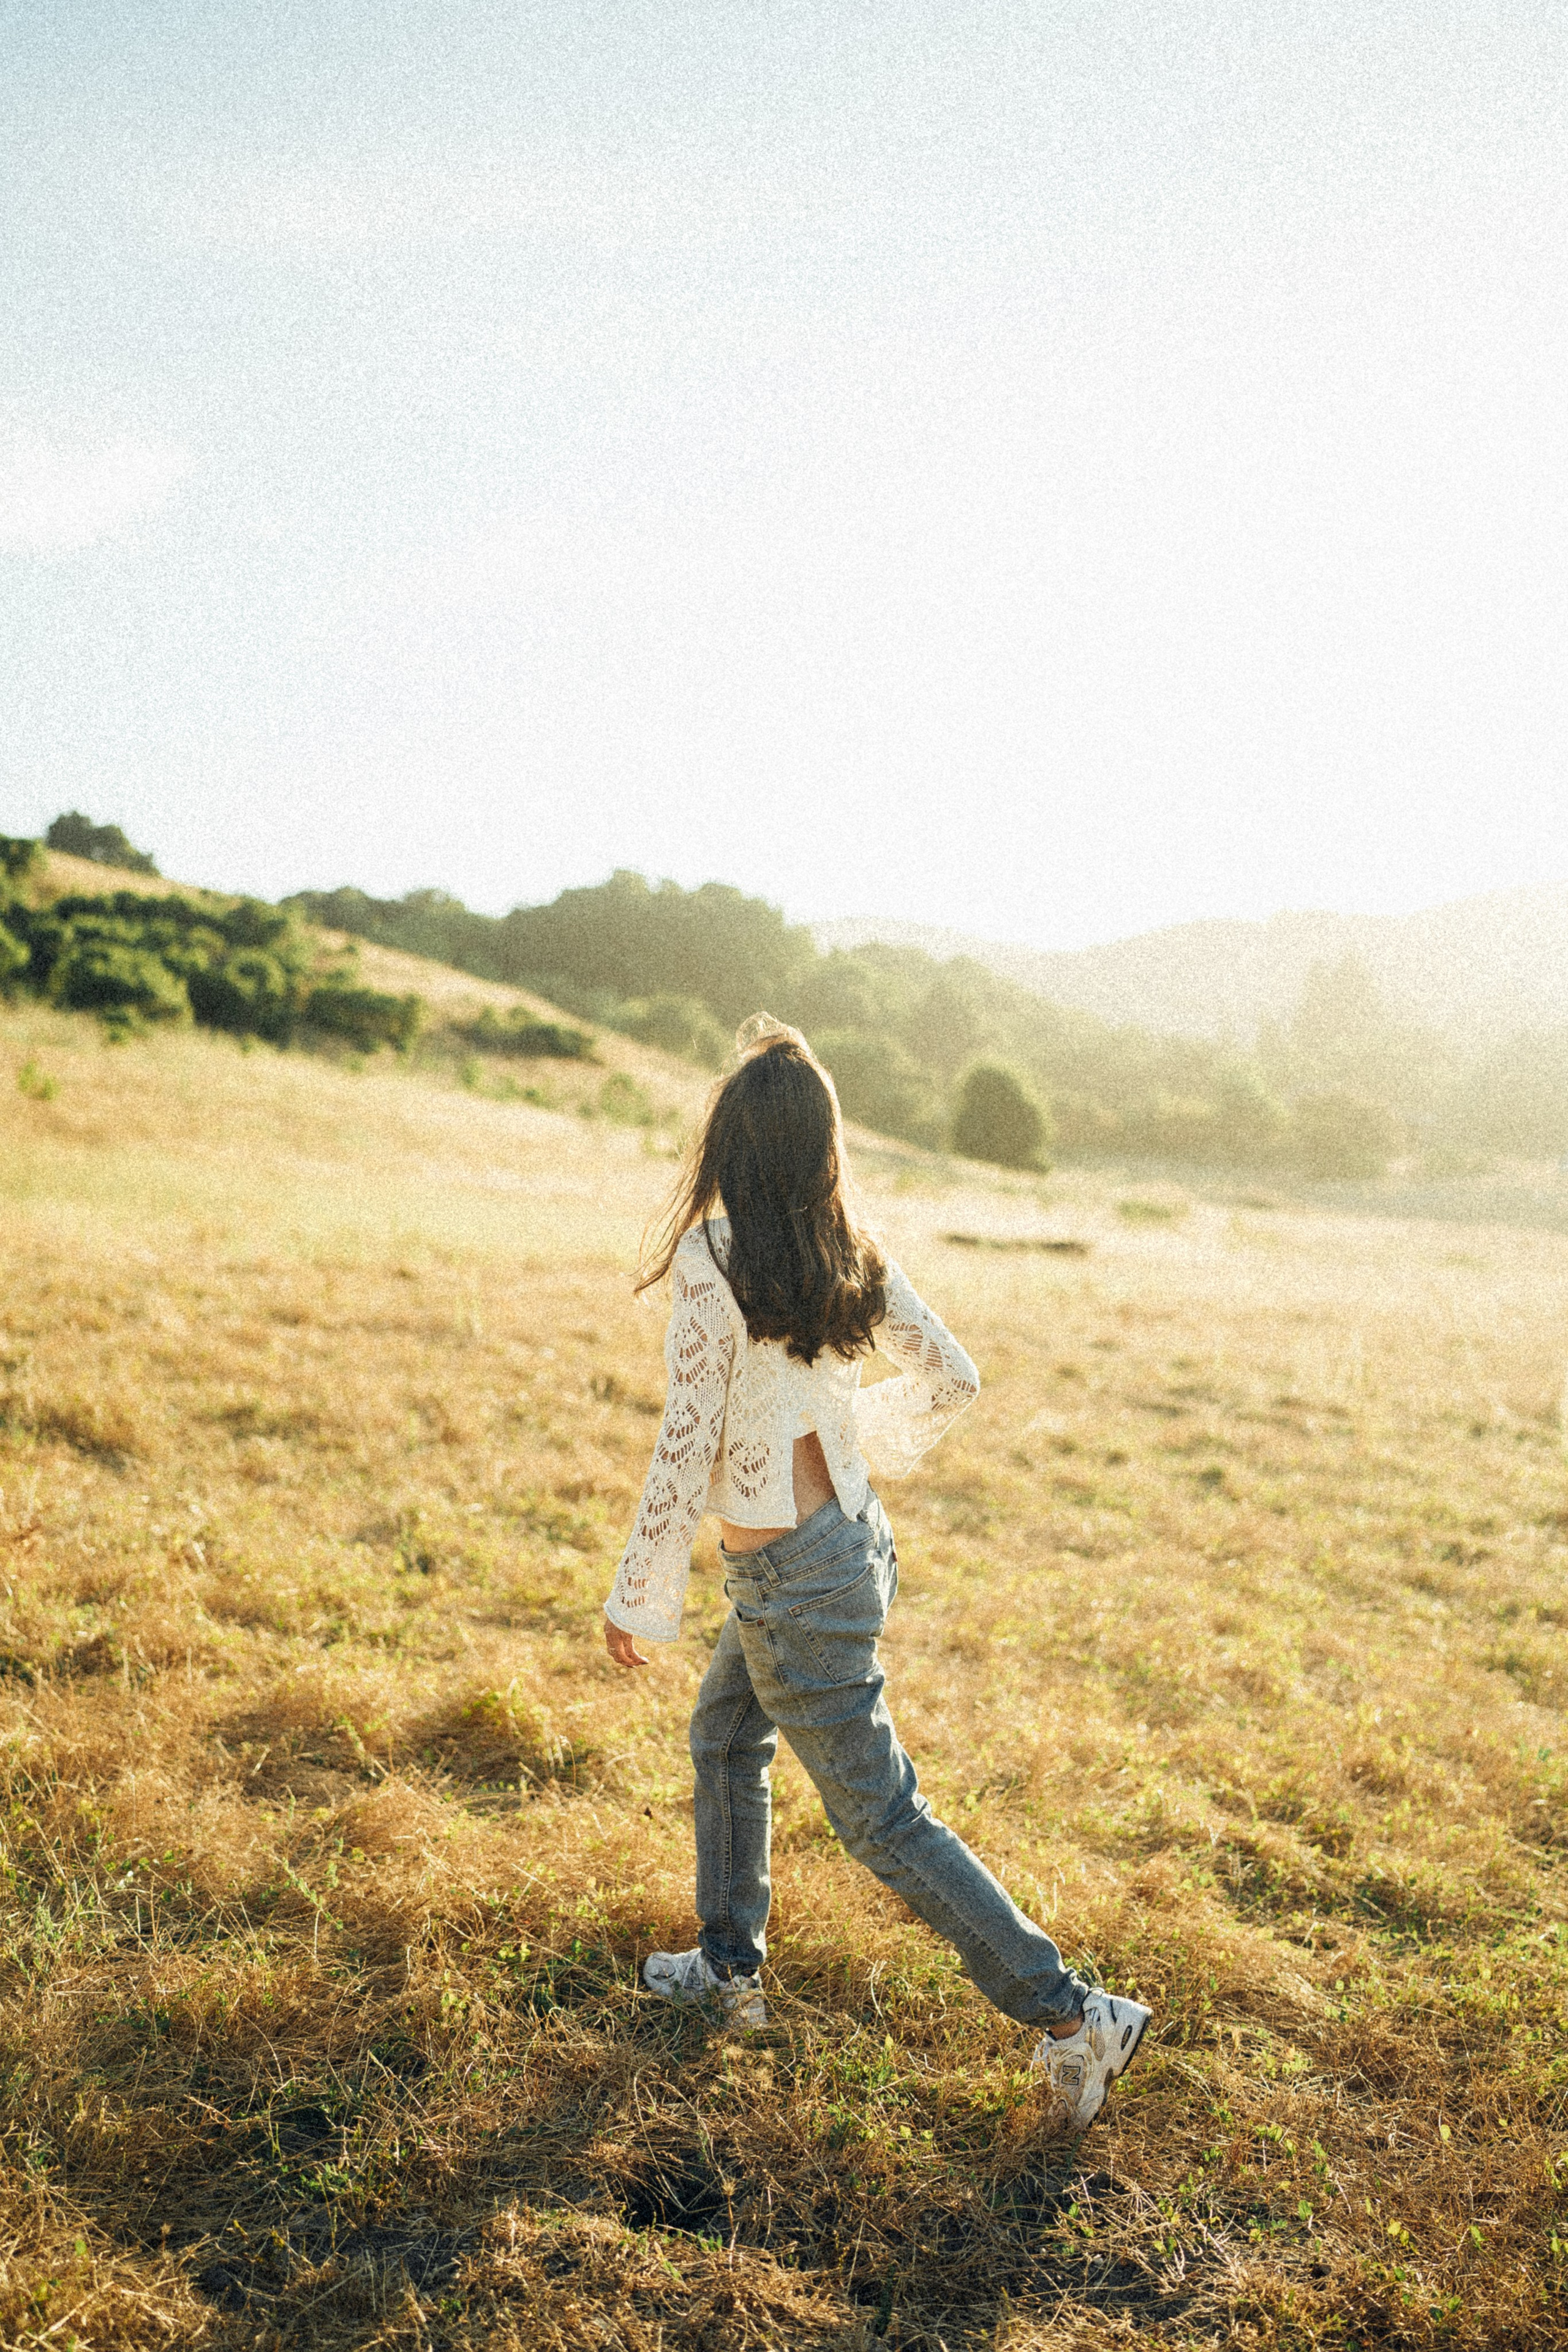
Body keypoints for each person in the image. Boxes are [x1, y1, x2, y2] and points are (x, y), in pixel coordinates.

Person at [601, 1015, 1151, 2132]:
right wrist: (851, 1451)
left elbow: (684, 1434)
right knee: (723, 1736)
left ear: (732, 1145)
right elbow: (952, 1376)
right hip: (848, 1549)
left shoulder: (716, 1259)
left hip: (794, 1586)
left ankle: (1071, 2014)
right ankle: (727, 1967)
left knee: (883, 1821)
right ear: (820, 1148)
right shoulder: (847, 1250)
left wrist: (636, 1594)